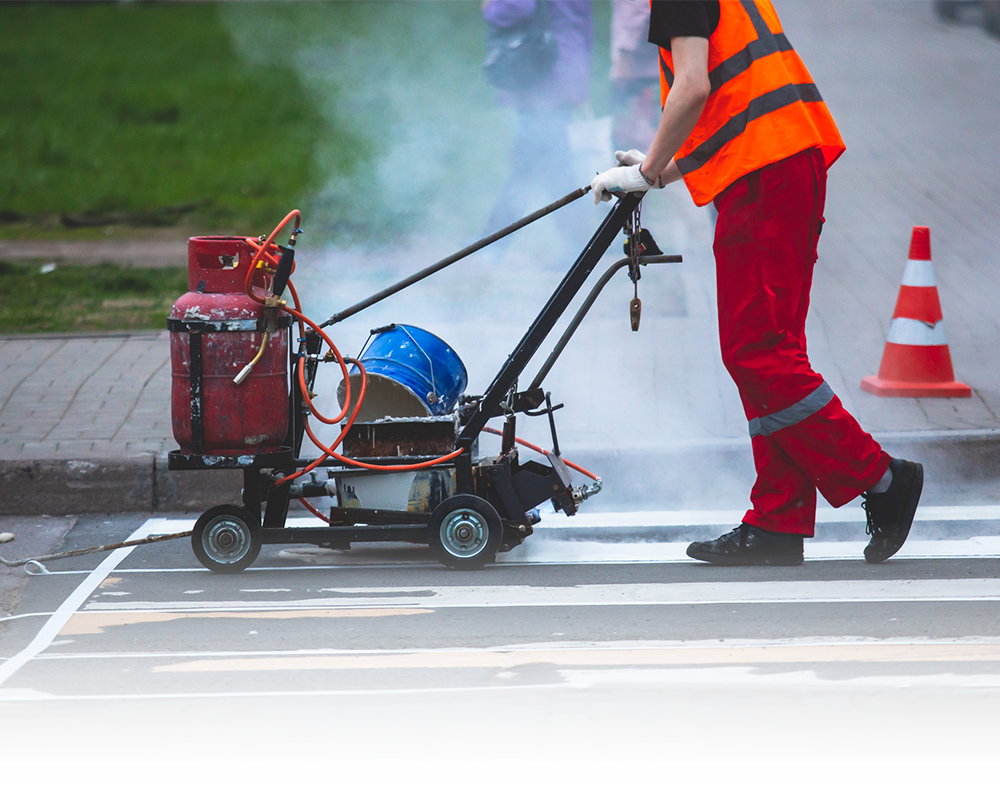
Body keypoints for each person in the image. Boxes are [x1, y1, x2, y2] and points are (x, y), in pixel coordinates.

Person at [590, 0, 923, 566]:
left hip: (765, 177)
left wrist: (644, 174)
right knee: (774, 351)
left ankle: (882, 478)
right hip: (784, 163)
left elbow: (691, 89)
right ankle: (778, 519)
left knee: (755, 351)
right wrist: (656, 169)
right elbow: (729, 107)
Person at [481, 0, 593, 247]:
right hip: (565, 61)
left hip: (542, 70)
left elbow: (517, 6)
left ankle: (492, 244)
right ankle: (494, 242)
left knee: (542, 162)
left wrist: (490, 7)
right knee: (539, 160)